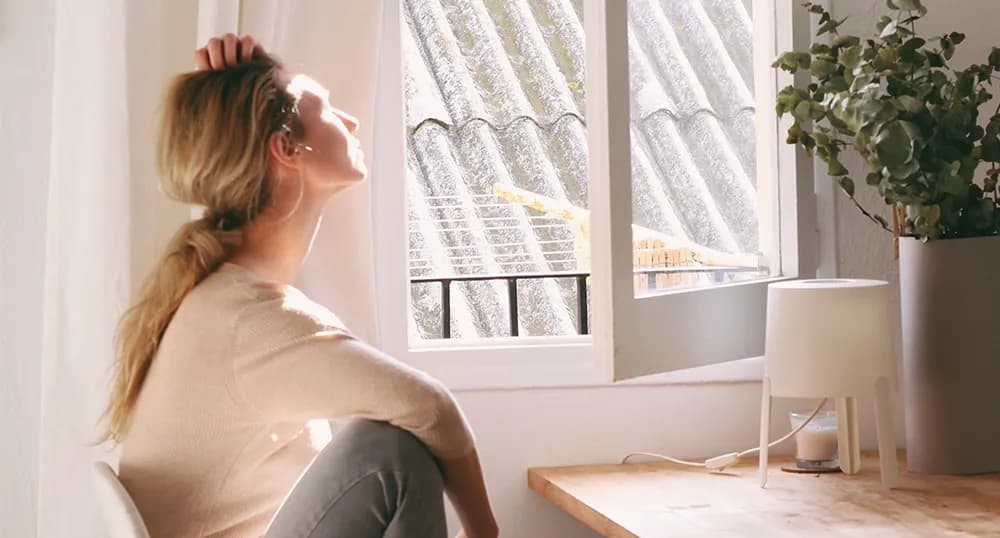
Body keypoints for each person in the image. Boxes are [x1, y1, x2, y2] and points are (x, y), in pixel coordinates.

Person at [101, 34, 498, 538]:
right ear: (287, 149)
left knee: (390, 442)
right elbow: (431, 407)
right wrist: (484, 531)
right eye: (328, 109)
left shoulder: (227, 300)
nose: (351, 121)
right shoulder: (247, 319)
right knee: (388, 453)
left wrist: (252, 83)